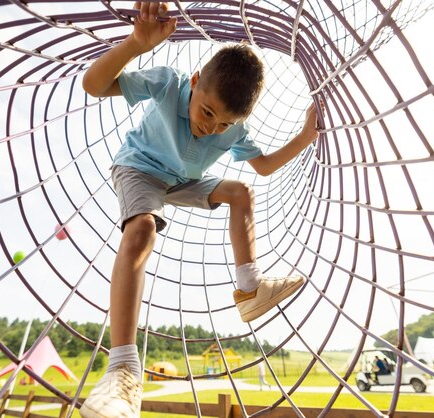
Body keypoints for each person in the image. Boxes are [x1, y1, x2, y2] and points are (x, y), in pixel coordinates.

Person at [78, 2, 323, 418]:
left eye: (223, 124)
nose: (210, 127)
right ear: (195, 83)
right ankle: (121, 369)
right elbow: (94, 86)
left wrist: (303, 137)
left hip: (182, 180)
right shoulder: (171, 84)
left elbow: (262, 167)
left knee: (240, 191)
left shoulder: (233, 130)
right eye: (207, 112)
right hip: (139, 167)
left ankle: (250, 289)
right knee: (141, 231)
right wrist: (135, 44)